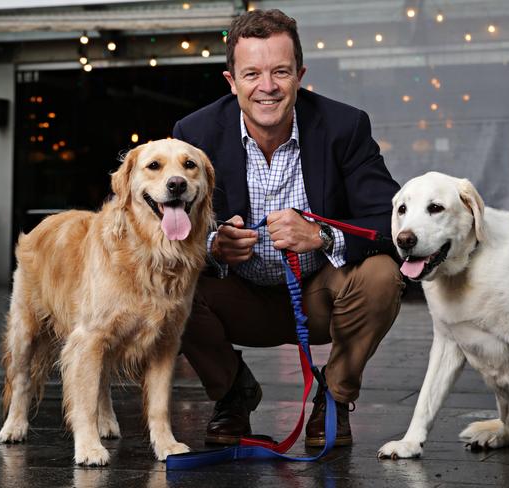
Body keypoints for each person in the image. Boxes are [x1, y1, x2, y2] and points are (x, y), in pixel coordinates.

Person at [172, 8, 403, 448]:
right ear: (231, 81)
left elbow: (387, 223)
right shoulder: (194, 133)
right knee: (165, 285)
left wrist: (321, 235)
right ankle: (231, 393)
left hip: (320, 296)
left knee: (381, 275)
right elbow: (160, 231)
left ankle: (334, 397)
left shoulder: (345, 126)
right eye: (252, 73)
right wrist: (212, 245)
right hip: (235, 296)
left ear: (300, 74)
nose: (267, 87)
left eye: (280, 71)